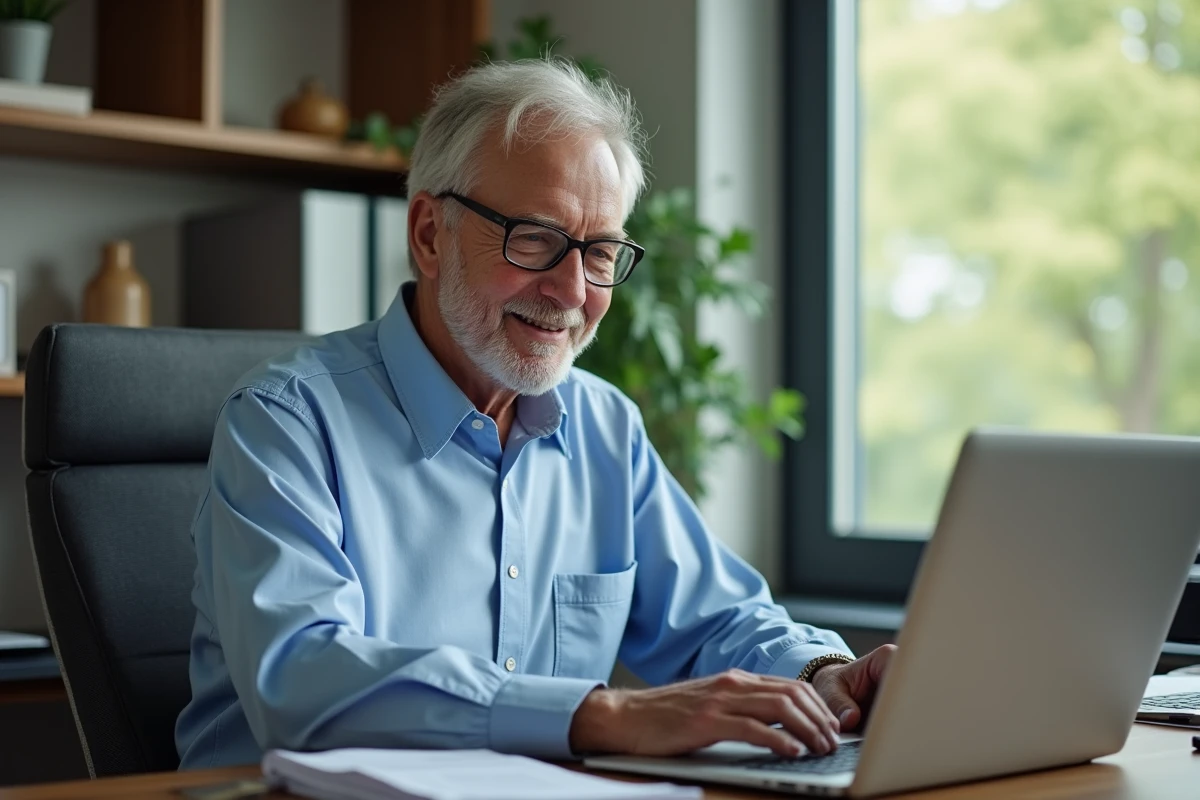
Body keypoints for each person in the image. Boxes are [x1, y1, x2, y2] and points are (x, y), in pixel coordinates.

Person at [175, 58, 896, 769]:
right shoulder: (284, 423)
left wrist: (820, 676)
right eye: (537, 240)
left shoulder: (603, 427)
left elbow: (720, 618)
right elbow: (302, 681)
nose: (572, 290)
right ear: (430, 233)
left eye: (601, 252)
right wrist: (604, 715)